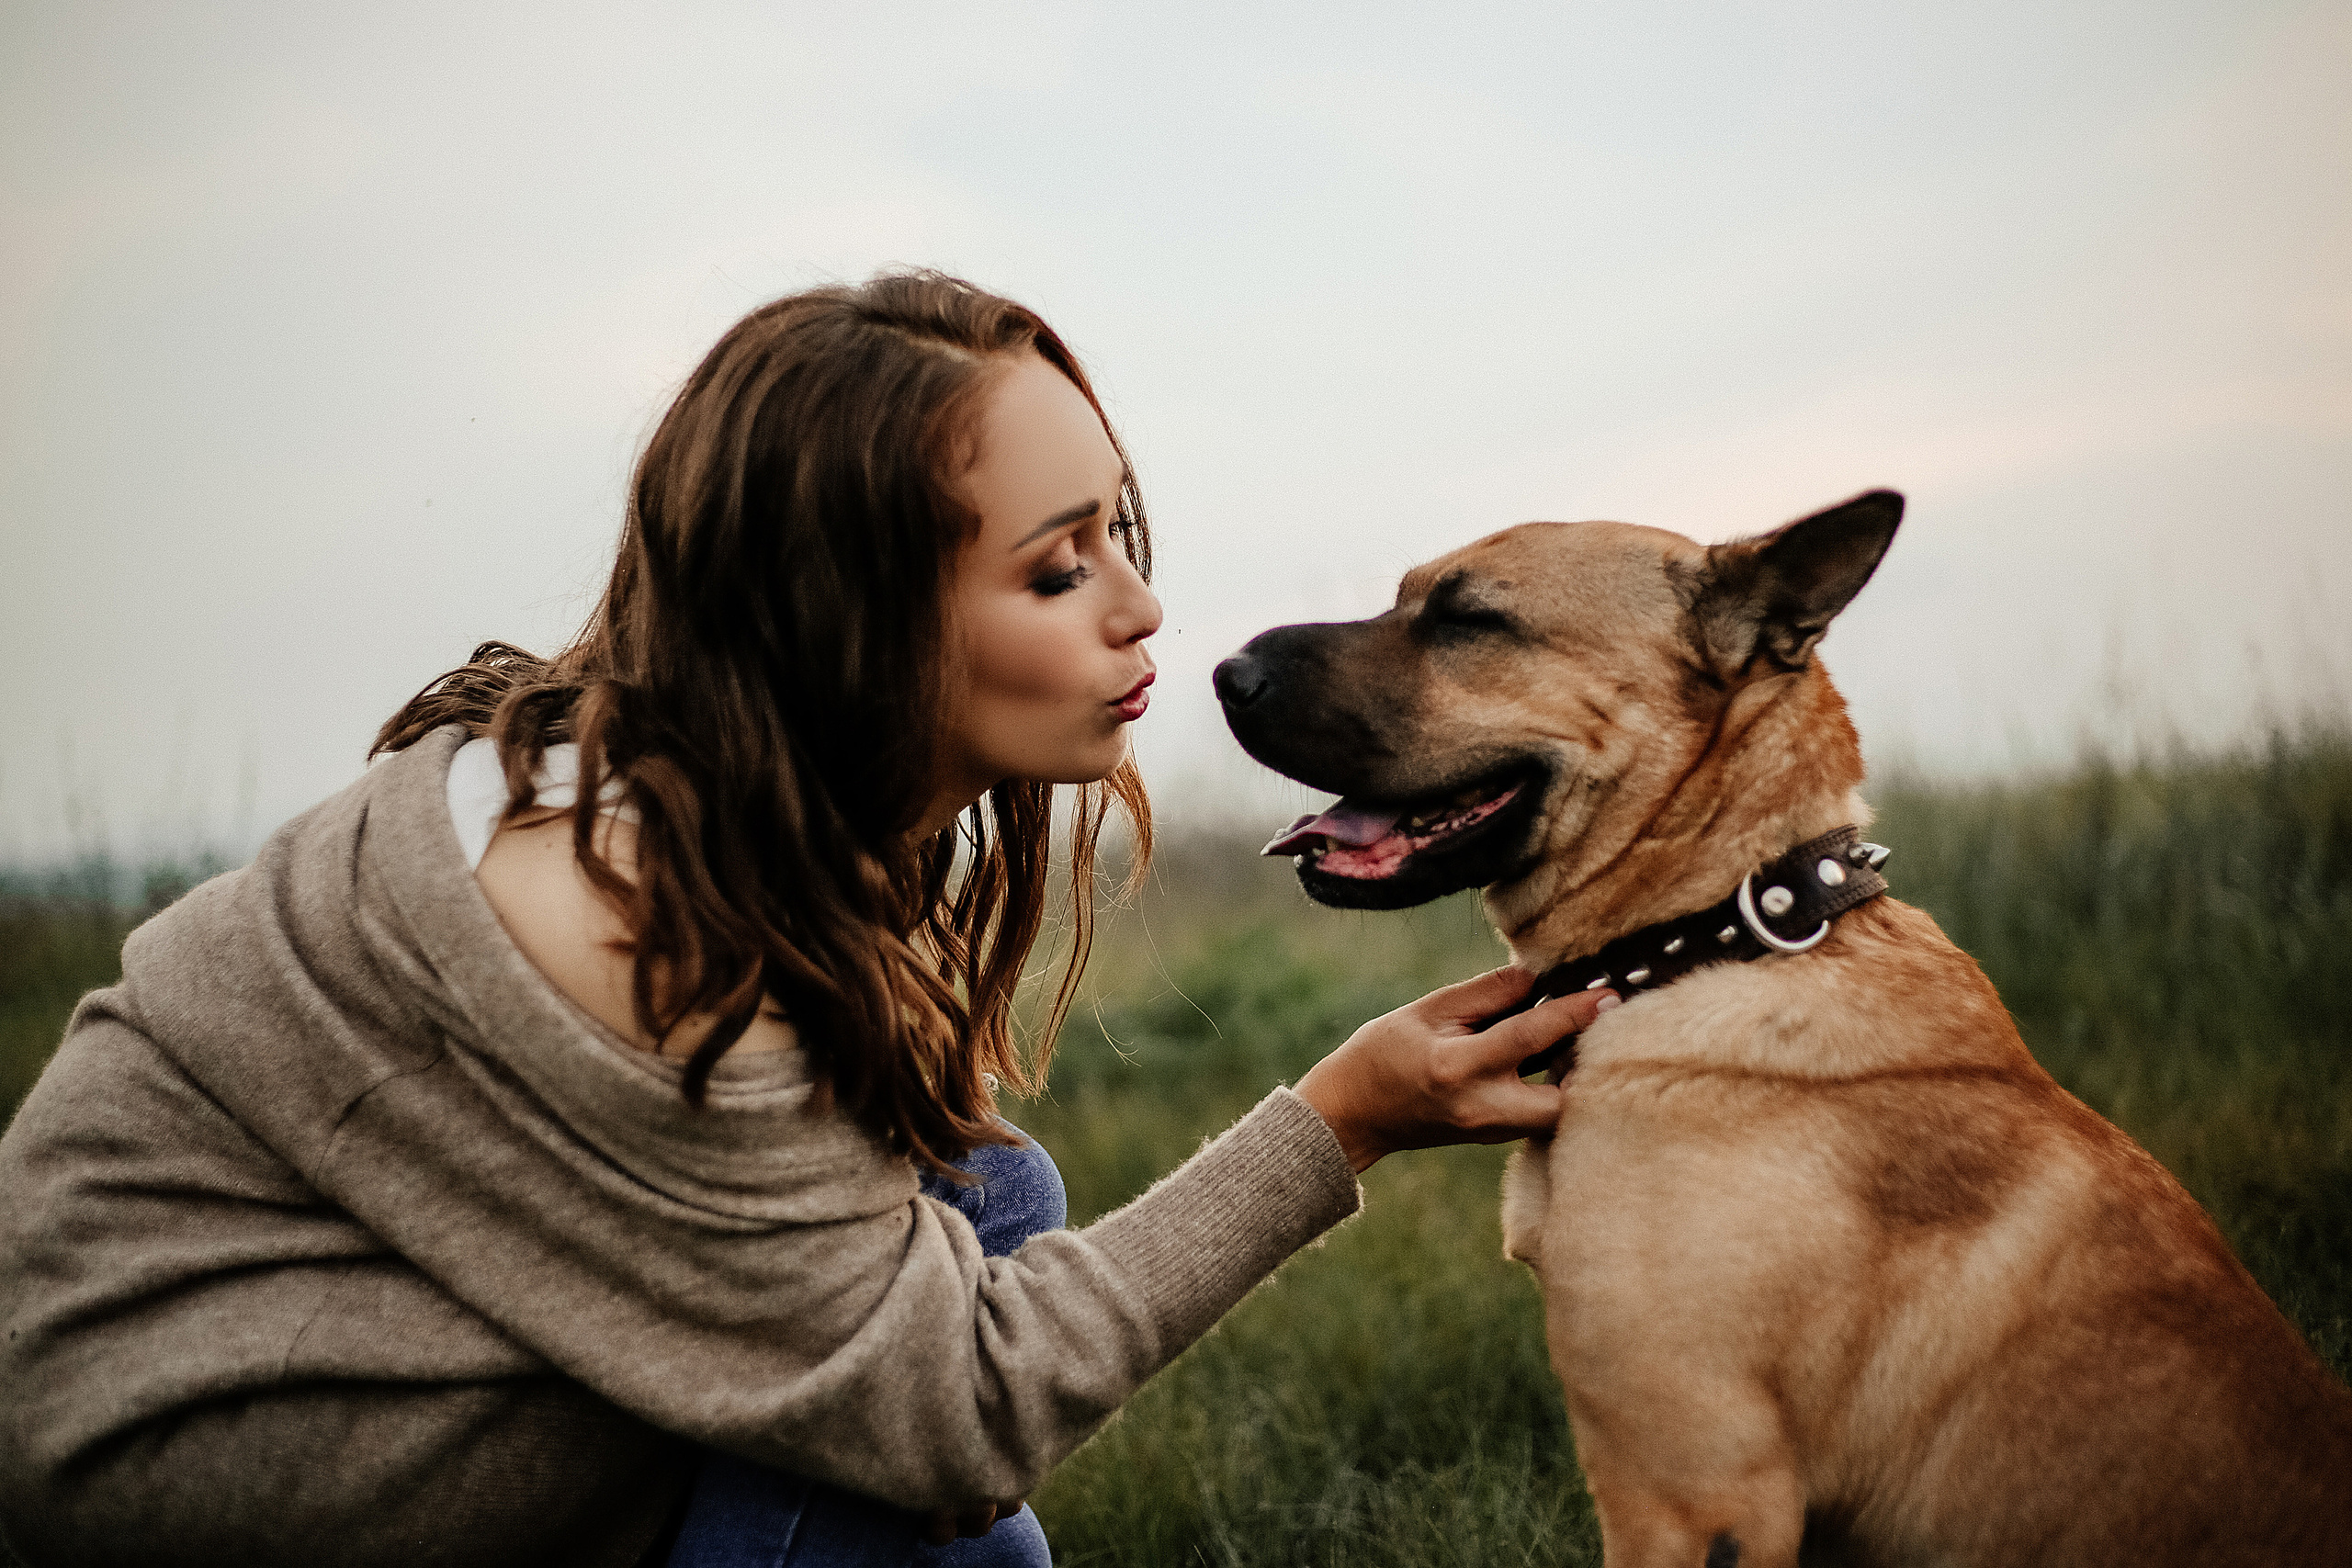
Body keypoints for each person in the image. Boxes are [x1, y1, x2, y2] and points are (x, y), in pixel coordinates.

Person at [0, 273, 1611, 1568]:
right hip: (192, 1470)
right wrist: (1344, 1120)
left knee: (991, 1190)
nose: (1139, 606)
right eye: (1056, 573)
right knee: (927, 1481)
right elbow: (968, 1414)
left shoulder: (689, 789)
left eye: (1121, 530)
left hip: (330, 1358)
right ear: (852, 629)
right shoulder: (648, 940)